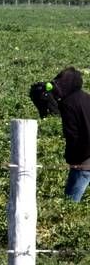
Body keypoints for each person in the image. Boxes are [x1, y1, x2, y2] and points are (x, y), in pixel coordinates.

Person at [50, 67, 90, 202]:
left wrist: (73, 159)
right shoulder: (86, 97)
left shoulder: (68, 104)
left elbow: (73, 135)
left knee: (70, 202)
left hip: (84, 159)